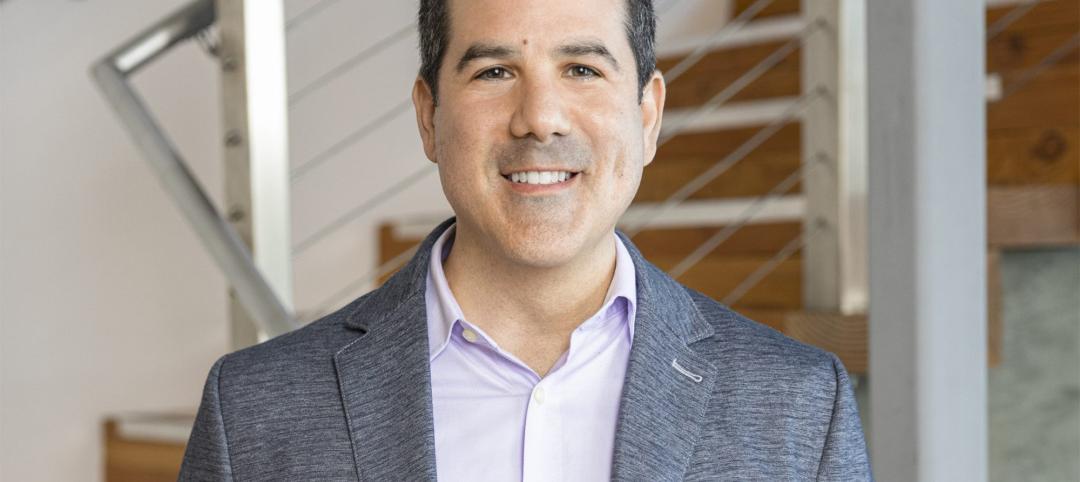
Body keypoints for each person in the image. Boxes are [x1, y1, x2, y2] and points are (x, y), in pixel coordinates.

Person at [179, 0, 873, 479]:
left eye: (582, 69)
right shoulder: (253, 411)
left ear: (649, 114)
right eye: (494, 71)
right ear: (429, 117)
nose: (539, 118)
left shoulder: (797, 404)